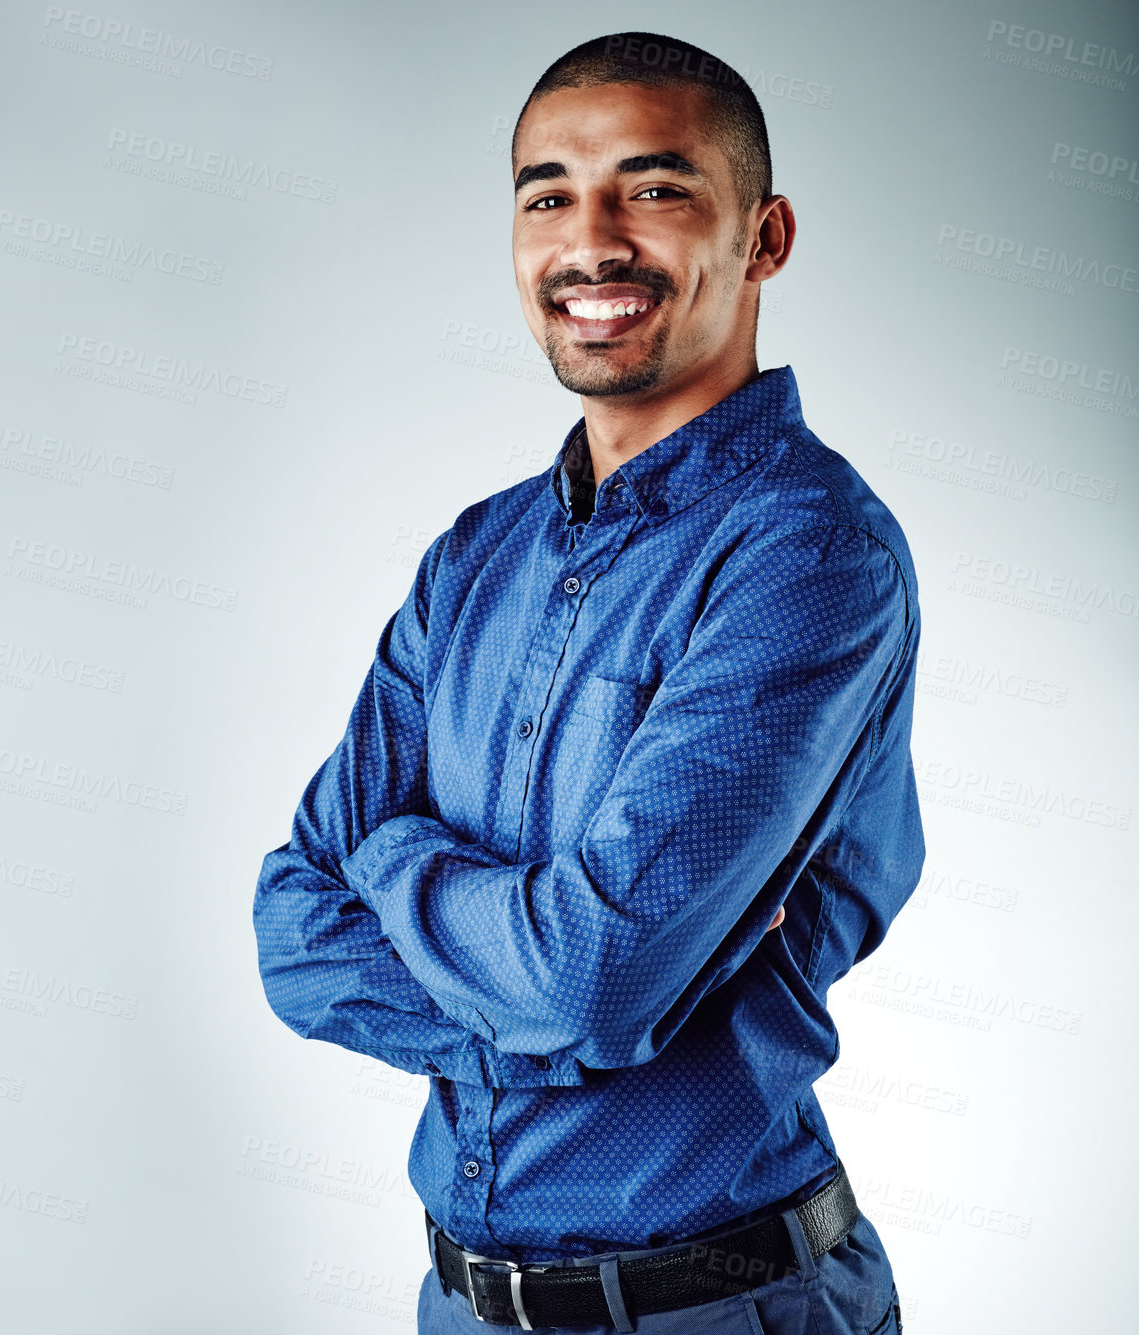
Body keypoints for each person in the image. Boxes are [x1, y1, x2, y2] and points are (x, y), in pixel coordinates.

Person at [253, 30, 921, 1335]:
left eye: (655, 189)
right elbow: (293, 942)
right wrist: (584, 1011)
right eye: (547, 194)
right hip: (460, 1306)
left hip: (717, 1308)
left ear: (763, 235)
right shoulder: (475, 556)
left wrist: (394, 867)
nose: (591, 239)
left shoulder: (807, 556)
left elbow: (587, 979)